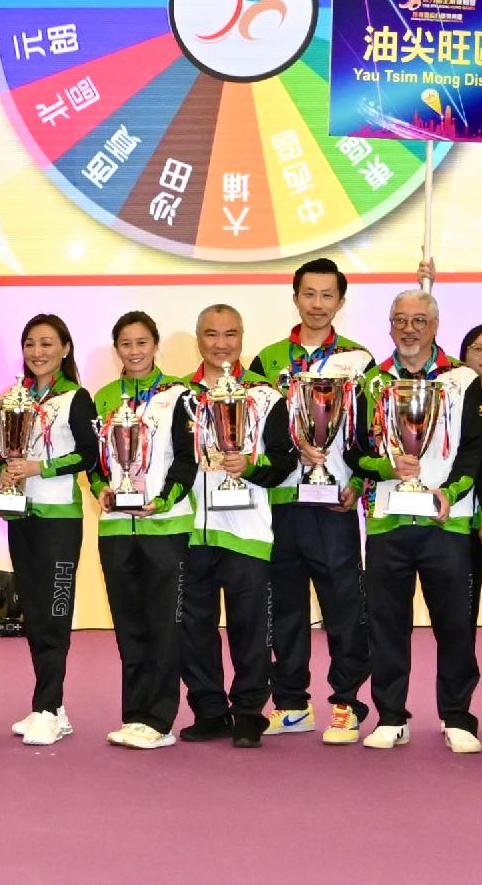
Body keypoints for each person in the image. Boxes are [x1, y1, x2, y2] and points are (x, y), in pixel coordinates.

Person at [357, 287, 482, 753]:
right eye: (400, 320)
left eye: (419, 320)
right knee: (386, 625)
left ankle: (457, 716)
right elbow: (355, 451)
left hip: (445, 525)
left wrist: (449, 493)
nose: (409, 328)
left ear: (435, 325)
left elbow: (477, 450)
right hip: (387, 525)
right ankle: (391, 716)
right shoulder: (372, 382)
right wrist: (385, 469)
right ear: (389, 325)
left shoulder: (463, 380)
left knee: (455, 624)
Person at [250, 257, 374, 744]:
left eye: (328, 295)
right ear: (295, 296)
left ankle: (346, 702)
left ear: (341, 302)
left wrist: (358, 487)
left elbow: (372, 433)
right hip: (281, 503)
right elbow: (256, 434)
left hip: (334, 505)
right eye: (309, 294)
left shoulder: (360, 361)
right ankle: (292, 702)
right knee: (284, 609)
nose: (317, 304)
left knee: (343, 606)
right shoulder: (268, 360)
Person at [173, 304, 293, 747]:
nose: (220, 344)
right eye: (211, 334)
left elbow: (284, 461)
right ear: (197, 338)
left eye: (230, 334)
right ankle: (208, 710)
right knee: (193, 627)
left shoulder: (264, 396)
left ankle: (248, 712)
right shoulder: (178, 397)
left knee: (250, 629)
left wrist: (251, 464)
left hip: (248, 531)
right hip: (189, 531)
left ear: (242, 337)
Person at [0, 313, 101, 746]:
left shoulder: (76, 398)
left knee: (56, 615)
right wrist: (7, 472)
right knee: (34, 616)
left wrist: (42, 466)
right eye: (30, 344)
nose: (37, 353)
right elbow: (1, 451)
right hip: (21, 519)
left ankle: (46, 706)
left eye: (46, 344)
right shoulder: (12, 398)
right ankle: (52, 707)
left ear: (65, 349)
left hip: (60, 520)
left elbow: (91, 457)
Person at [92, 311, 192, 749]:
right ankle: (134, 714)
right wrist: (101, 490)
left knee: (163, 626)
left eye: (142, 342)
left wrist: (164, 499)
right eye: (126, 344)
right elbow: (93, 462)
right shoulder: (104, 397)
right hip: (116, 528)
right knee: (129, 625)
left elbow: (188, 458)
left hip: (165, 526)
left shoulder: (179, 395)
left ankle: (159, 719)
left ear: (155, 345)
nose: (134, 351)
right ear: (117, 349)